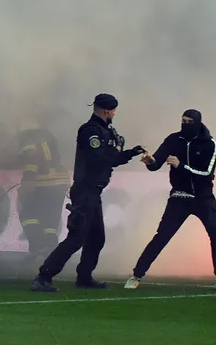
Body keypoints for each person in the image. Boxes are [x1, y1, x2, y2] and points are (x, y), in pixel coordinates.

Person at [31, 94, 146, 292]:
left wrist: (130, 153)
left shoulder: (105, 130)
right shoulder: (90, 131)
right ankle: (44, 276)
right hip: (85, 190)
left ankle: (84, 277)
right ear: (107, 111)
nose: (114, 114)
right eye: (113, 111)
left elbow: (111, 159)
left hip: (93, 192)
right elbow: (99, 159)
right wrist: (118, 149)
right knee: (77, 238)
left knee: (96, 238)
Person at [126, 109, 216, 291]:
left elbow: (206, 174)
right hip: (179, 196)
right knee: (162, 235)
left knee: (215, 232)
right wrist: (150, 161)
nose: (185, 125)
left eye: (189, 122)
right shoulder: (173, 140)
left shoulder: (210, 144)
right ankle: (136, 275)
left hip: (203, 197)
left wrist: (181, 166)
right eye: (183, 121)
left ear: (197, 123)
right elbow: (157, 162)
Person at [16, 116, 69, 260]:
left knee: (28, 215)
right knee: (50, 219)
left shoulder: (28, 137)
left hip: (43, 182)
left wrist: (29, 178)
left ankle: (37, 247)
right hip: (60, 182)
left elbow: (31, 159)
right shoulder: (48, 136)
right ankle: (51, 250)